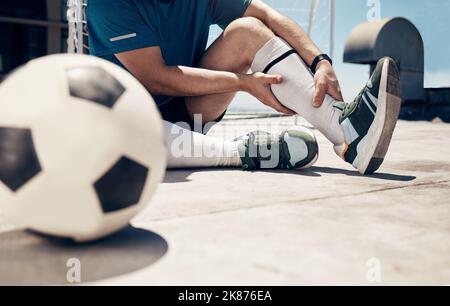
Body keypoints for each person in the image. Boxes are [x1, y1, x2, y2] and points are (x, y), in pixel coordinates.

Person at [88, 0, 401, 175]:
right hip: (132, 119)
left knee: (246, 30)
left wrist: (320, 61)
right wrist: (243, 83)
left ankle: (347, 132)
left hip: (187, 111)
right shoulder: (109, 4)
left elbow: (263, 13)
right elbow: (156, 76)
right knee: (137, 140)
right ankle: (243, 150)